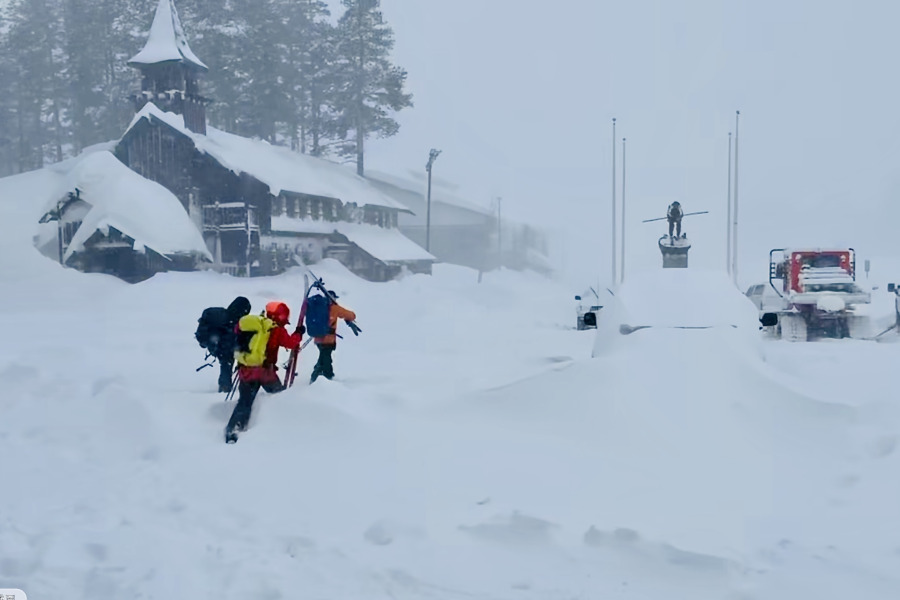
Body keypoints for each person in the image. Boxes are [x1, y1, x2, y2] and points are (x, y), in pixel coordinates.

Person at [225, 301, 304, 441]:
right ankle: (279, 426)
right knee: (279, 395)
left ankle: (234, 428)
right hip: (264, 372)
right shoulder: (275, 329)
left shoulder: (254, 325)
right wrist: (299, 333)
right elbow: (291, 343)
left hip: (245, 369)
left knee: (245, 401)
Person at [195, 296, 252, 392]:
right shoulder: (232, 319)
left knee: (226, 363)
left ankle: (225, 386)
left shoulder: (224, 316)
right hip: (221, 345)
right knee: (226, 363)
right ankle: (225, 387)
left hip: (217, 344)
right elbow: (231, 336)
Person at [310, 291, 356, 383]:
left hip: (318, 338)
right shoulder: (334, 308)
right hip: (328, 340)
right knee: (326, 359)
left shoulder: (319, 307)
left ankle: (318, 376)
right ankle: (326, 376)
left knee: (323, 357)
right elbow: (350, 315)